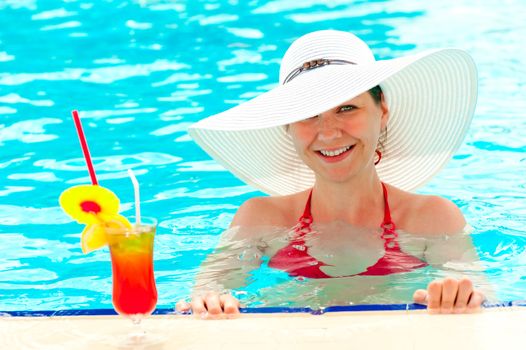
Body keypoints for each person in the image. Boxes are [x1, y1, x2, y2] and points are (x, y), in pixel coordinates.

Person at [178, 30, 489, 317]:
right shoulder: (260, 218)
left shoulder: (432, 218)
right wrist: (212, 300)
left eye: (347, 108)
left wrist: (461, 295)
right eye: (308, 115)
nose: (328, 133)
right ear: (288, 127)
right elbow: (208, 288)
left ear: (382, 113)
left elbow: (483, 294)